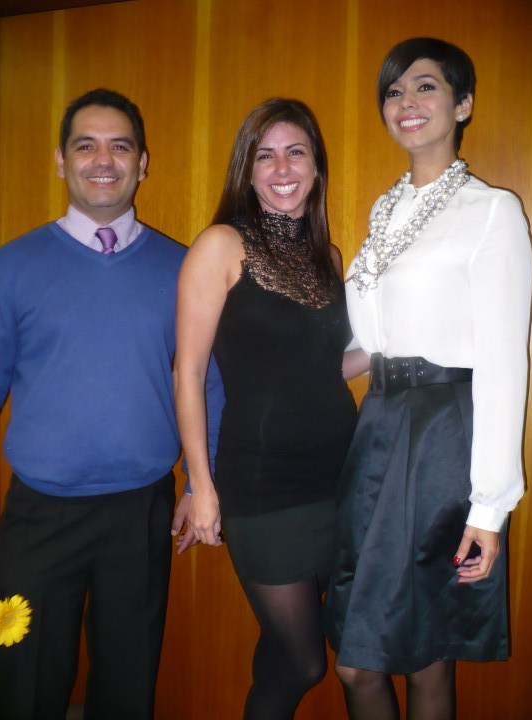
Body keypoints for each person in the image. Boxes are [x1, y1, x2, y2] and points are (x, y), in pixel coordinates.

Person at [324, 37, 532, 720]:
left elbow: (504, 360)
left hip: (442, 433)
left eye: (426, 87)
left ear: (462, 104)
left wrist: (489, 508)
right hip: (379, 425)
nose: (406, 102)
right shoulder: (384, 212)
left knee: (396, 653)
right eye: (394, 91)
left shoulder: (491, 210)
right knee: (400, 646)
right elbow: (368, 342)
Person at [0, 88, 224, 720]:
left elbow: (207, 382)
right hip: (39, 513)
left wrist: (198, 480)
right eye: (86, 145)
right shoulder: (11, 266)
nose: (104, 160)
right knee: (23, 679)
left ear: (142, 163)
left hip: (140, 509)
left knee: (128, 682)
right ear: (60, 160)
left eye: (120, 146)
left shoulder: (183, 269)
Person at [174, 98, 360, 719]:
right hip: (263, 488)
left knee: (284, 654)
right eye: (265, 156)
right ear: (247, 172)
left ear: (316, 166)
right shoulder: (221, 246)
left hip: (338, 479)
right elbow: (188, 372)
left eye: (296, 152)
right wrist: (201, 486)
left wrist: (406, 348)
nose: (282, 168)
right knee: (305, 661)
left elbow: (323, 367)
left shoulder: (329, 258)